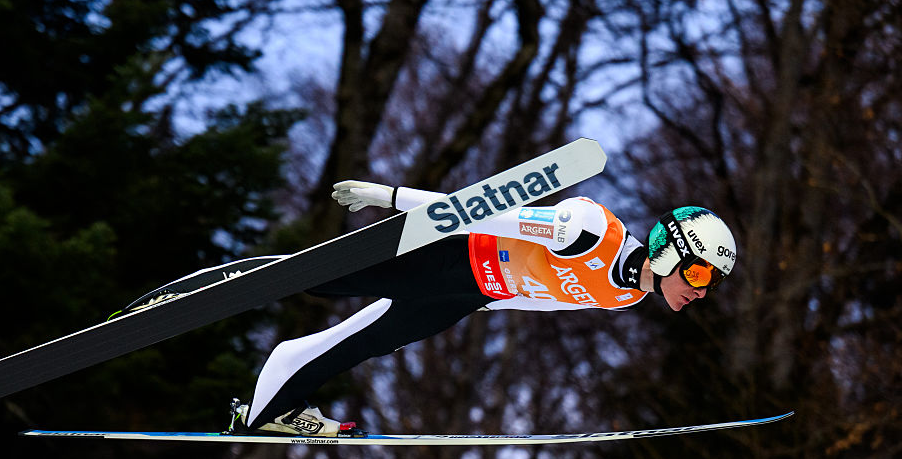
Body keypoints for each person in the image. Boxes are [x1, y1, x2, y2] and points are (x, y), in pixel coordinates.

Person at [228, 180, 737, 436]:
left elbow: (545, 297)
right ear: (667, 250)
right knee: (330, 279)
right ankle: (236, 280)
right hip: (453, 256)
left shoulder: (625, 296)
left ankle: (273, 406)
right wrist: (393, 196)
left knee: (364, 342)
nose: (700, 290)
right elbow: (492, 212)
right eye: (696, 272)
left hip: (469, 296)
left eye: (711, 282)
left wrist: (481, 306)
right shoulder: (591, 231)